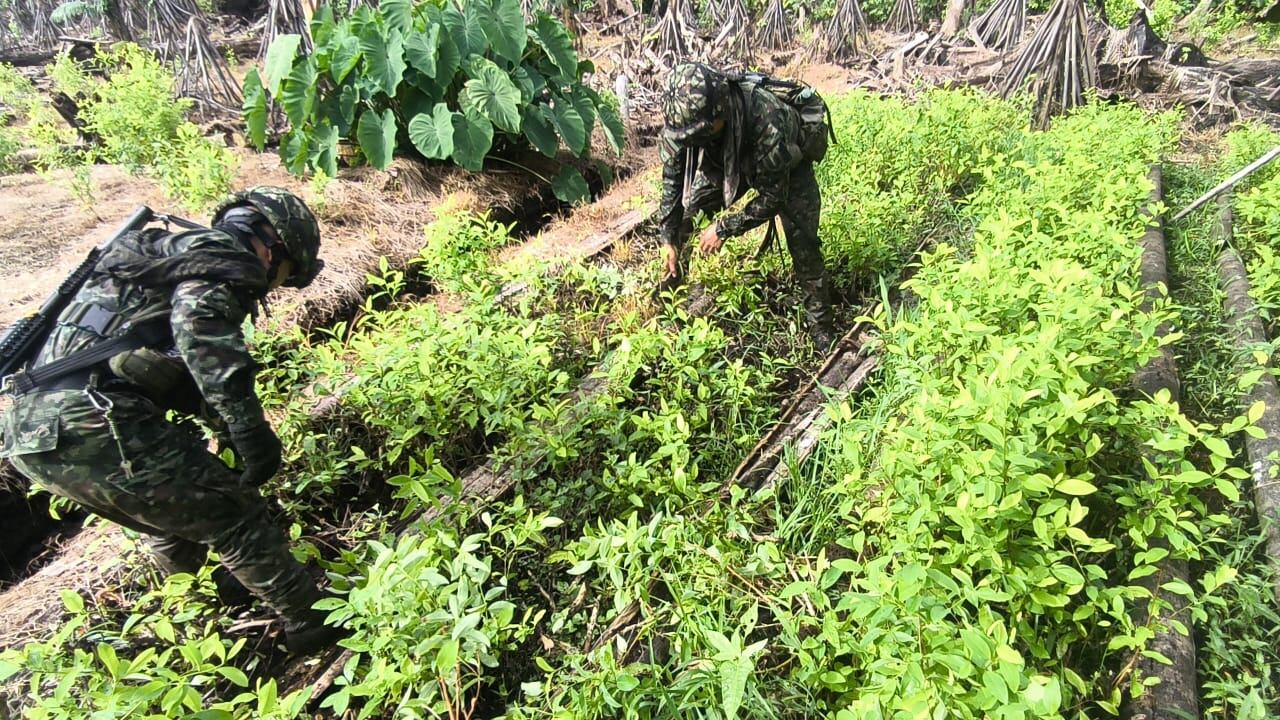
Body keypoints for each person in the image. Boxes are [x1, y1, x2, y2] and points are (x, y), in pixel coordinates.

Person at [0, 187, 342, 656]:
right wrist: (248, 431)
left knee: (171, 519)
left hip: (29, 433)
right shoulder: (225, 257)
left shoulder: (164, 262)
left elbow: (177, 375)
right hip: (91, 417)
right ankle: (311, 624)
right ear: (273, 245)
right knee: (232, 514)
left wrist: (225, 432)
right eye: (284, 275)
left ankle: (204, 611)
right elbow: (202, 339)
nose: (273, 286)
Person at [655, 61, 836, 348]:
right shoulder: (688, 121)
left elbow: (773, 197)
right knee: (684, 222)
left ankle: (822, 328)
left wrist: (725, 228)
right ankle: (668, 304)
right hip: (727, 162)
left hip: (786, 169)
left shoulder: (766, 115)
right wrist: (667, 237)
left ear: (720, 111)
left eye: (698, 134)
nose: (692, 141)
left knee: (804, 246)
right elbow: (672, 180)